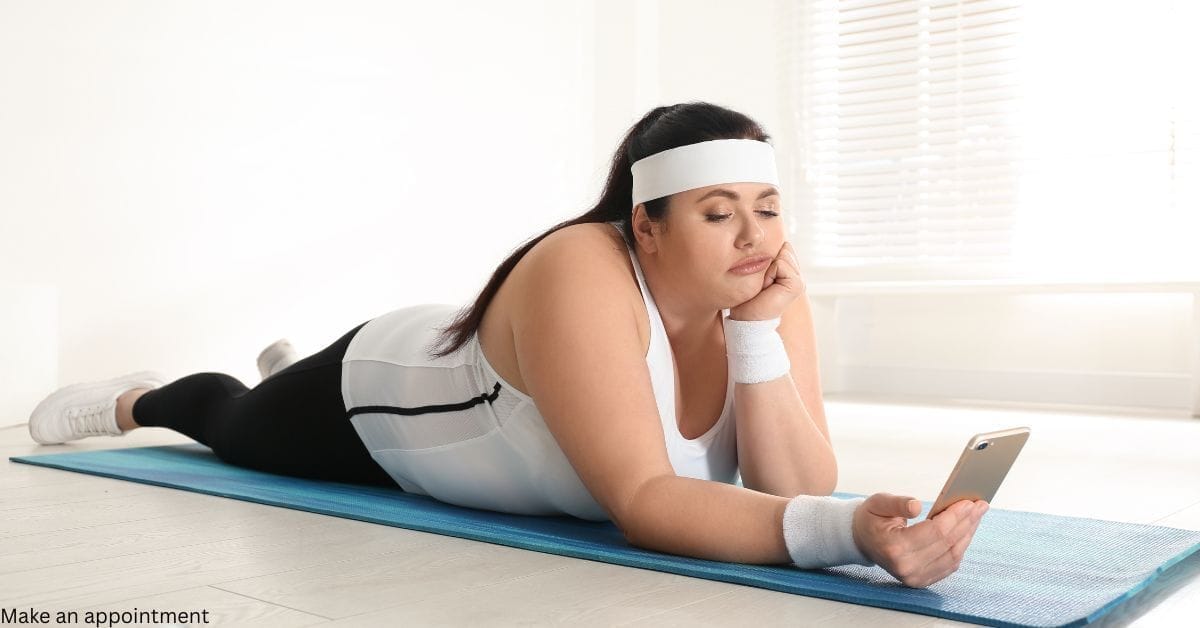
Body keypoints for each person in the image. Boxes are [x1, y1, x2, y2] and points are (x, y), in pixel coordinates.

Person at [27, 101, 987, 588]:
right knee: (237, 425)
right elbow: (646, 503)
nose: (754, 237)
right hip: (380, 400)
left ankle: (286, 370)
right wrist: (847, 538)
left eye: (768, 209)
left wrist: (759, 340)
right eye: (717, 212)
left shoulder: (765, 296)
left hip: (476, 410)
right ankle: (144, 397)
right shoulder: (581, 264)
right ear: (646, 226)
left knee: (269, 411)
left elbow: (796, 485)